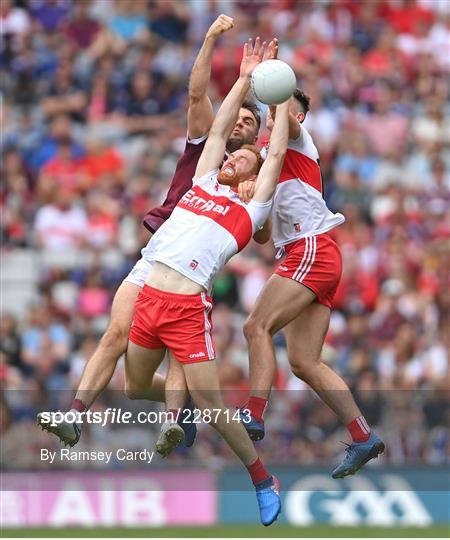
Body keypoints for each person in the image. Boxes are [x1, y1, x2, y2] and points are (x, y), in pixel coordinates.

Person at [37, 16, 274, 447]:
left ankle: (178, 417)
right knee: (117, 344)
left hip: (192, 272)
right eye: (236, 118)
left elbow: (260, 236)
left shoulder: (254, 181)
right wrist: (208, 41)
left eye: (249, 123)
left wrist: (256, 189)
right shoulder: (206, 147)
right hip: (156, 256)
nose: (239, 125)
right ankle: (77, 414)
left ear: (258, 139)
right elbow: (197, 92)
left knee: (178, 359)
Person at [125, 37, 288, 527]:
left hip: (187, 309)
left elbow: (275, 152)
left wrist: (277, 102)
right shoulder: (202, 181)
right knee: (134, 388)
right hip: (151, 297)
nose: (232, 157)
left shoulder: (249, 207)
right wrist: (242, 77)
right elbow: (216, 129)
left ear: (253, 179)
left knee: (219, 408)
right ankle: (187, 408)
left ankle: (262, 478)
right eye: (231, 157)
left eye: (243, 161)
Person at [239, 90, 385, 479]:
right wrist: (254, 198)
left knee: (256, 326)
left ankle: (253, 414)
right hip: (306, 253)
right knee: (304, 361)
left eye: (280, 110)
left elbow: (284, 120)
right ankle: (363, 435)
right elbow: (262, 236)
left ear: (297, 117)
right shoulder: (267, 165)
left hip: (312, 248)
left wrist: (276, 90)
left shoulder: (299, 141)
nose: (273, 116)